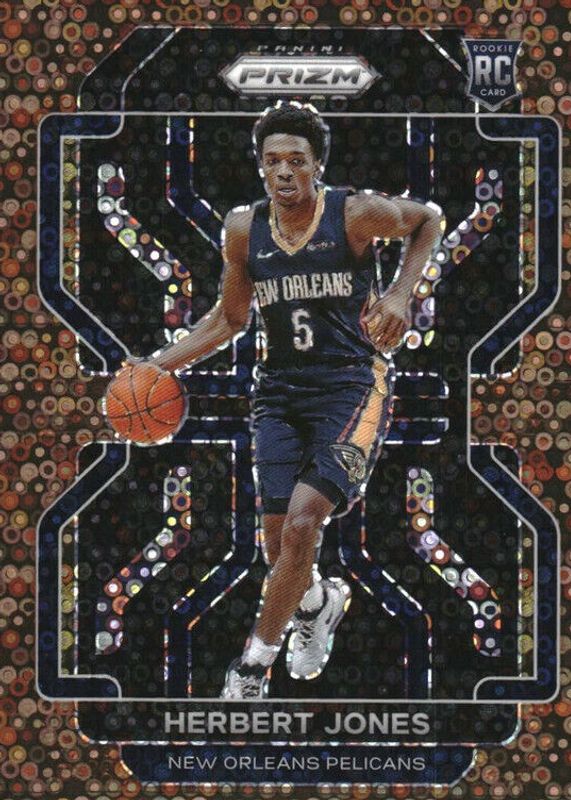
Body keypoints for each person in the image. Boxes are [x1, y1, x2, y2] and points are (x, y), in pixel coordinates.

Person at [150, 102, 442, 698]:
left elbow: (429, 219)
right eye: (273, 160)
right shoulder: (243, 229)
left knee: (306, 523)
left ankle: (251, 667)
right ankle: (315, 604)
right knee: (278, 547)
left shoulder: (354, 213)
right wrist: (157, 366)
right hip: (278, 394)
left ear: (316, 167)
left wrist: (399, 294)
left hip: (352, 387)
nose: (284, 171)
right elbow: (229, 319)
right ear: (261, 167)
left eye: (297, 161)